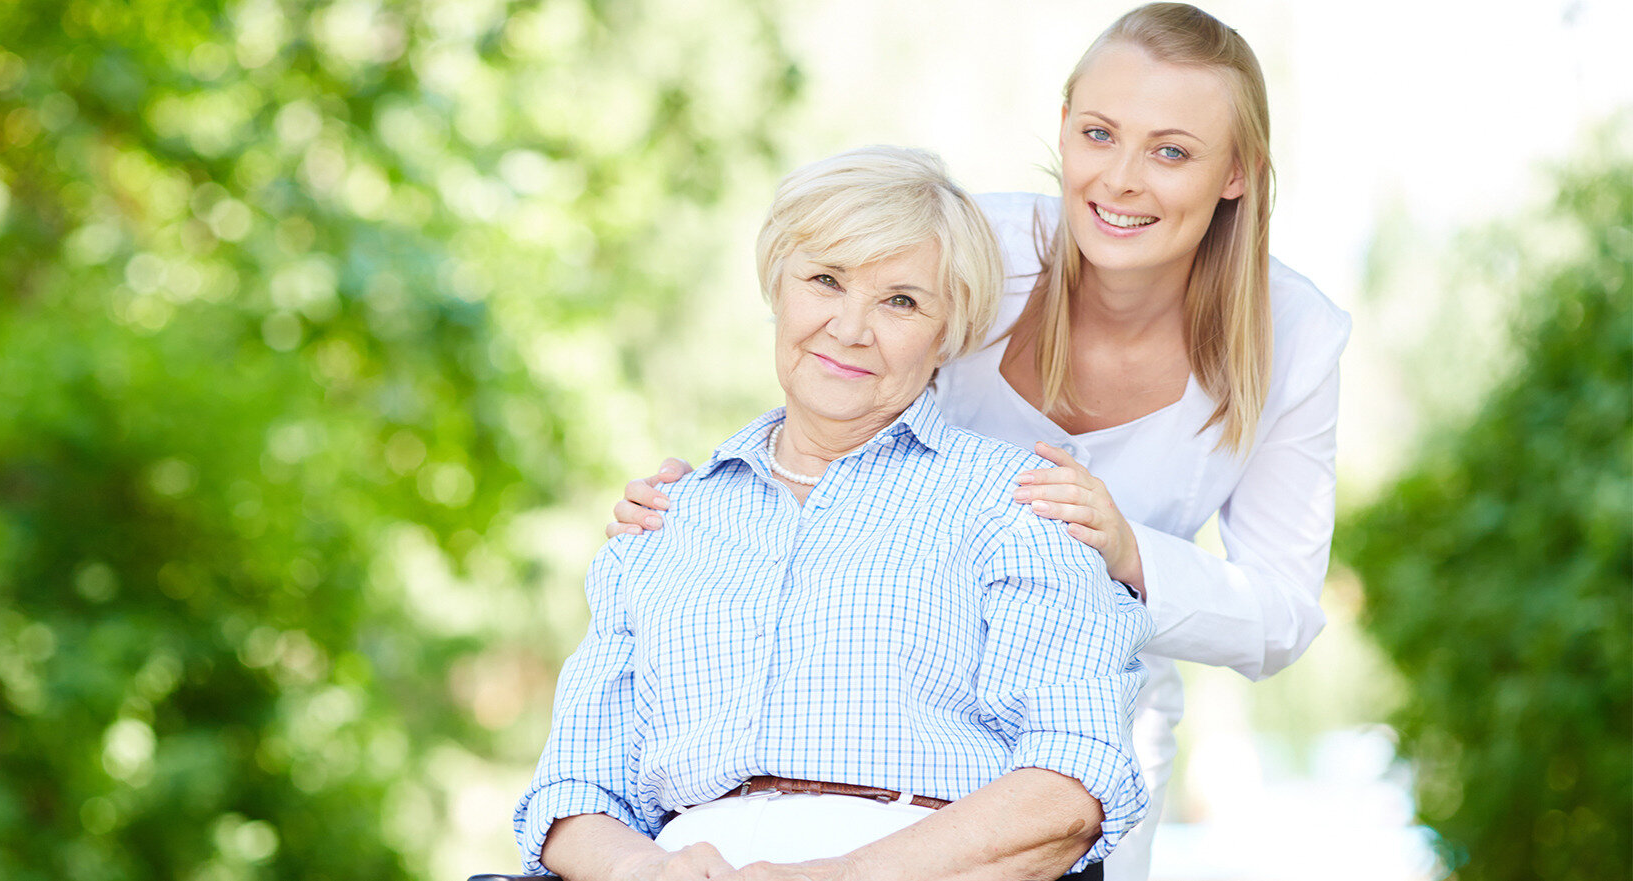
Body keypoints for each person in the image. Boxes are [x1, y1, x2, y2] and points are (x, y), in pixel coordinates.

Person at [605, 5, 1352, 878]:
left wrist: (1123, 550)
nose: (1121, 180)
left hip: (1082, 715)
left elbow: (1281, 612)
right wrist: (703, 509)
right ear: (1064, 126)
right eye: (1098, 133)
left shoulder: (1295, 334)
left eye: (1172, 151)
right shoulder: (976, 248)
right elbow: (838, 377)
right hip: (885, 689)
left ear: (1238, 173)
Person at [516, 145, 1153, 880]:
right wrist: (642, 871)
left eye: (901, 301)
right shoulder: (664, 524)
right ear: (778, 288)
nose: (851, 327)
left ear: (949, 332)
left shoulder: (1019, 505)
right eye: (825, 280)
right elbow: (571, 792)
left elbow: (1071, 785)